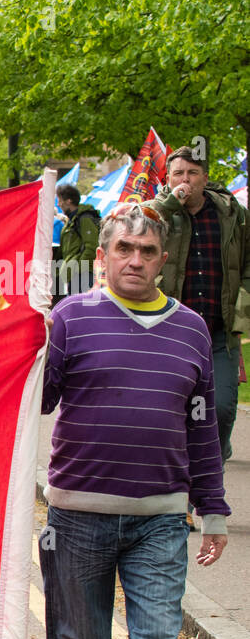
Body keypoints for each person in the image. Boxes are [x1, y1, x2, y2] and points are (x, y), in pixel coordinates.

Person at [41, 202, 227, 639]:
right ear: (102, 256)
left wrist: (213, 509)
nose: (135, 260)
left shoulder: (192, 329)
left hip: (161, 518)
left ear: (163, 260)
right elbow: (36, 403)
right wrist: (28, 344)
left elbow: (202, 427)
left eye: (147, 251)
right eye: (124, 248)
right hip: (76, 514)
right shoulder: (69, 320)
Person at [144, 146, 250, 462]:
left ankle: (216, 451)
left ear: (205, 177)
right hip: (170, 330)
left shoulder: (232, 214)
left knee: (222, 407)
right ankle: (187, 471)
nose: (185, 180)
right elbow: (133, 225)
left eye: (192, 173)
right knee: (172, 404)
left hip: (219, 331)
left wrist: (242, 311)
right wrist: (169, 204)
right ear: (167, 178)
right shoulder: (157, 213)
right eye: (178, 173)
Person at [56, 184, 99, 304]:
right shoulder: (71, 221)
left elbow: (91, 246)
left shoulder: (84, 218)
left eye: (60, 200)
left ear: (68, 201)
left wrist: (78, 269)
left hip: (82, 275)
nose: (58, 204)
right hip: (73, 275)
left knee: (82, 308)